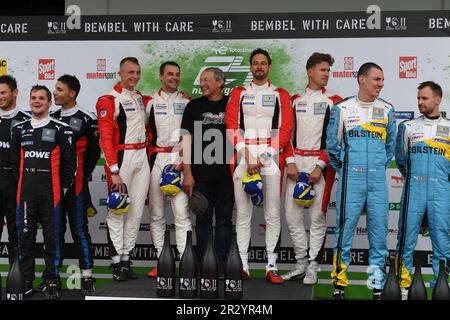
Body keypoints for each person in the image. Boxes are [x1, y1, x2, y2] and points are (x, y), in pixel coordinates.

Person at [326, 62, 396, 300]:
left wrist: (376, 168)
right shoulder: (342, 109)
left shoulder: (387, 110)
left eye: (382, 79)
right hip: (351, 178)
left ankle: (377, 287)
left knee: (378, 236)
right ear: (362, 79)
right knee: (343, 235)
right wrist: (346, 170)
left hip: (377, 180)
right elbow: (332, 148)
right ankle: (339, 286)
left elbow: (390, 148)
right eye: (377, 79)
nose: (381, 84)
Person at [225, 48, 294, 284]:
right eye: (255, 63)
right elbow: (231, 127)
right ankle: (243, 265)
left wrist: (263, 156)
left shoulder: (280, 94)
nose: (259, 67)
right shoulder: (239, 93)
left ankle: (271, 267)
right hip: (244, 156)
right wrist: (247, 155)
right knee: (243, 214)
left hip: (270, 157)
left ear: (270, 67)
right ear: (250, 67)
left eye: (263, 63)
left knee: (273, 214)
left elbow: (286, 130)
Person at [11, 85, 76, 299]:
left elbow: (69, 164)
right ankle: (27, 280)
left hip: (53, 194)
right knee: (25, 238)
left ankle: (51, 280)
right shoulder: (18, 128)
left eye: (41, 98)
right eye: (33, 98)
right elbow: (14, 164)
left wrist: (63, 188)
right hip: (26, 194)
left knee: (53, 239)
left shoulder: (61, 128)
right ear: (29, 101)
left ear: (49, 102)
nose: (37, 101)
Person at [282, 53, 342, 284]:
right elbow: (286, 134)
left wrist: (320, 165)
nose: (326, 74)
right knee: (291, 215)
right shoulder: (294, 100)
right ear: (310, 71)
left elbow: (335, 139)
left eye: (328, 70)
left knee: (317, 217)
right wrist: (290, 162)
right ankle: (300, 264)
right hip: (296, 163)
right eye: (322, 70)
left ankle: (314, 266)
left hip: (321, 166)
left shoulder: (334, 101)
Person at [96, 57, 151, 281]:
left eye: (137, 72)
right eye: (130, 72)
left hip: (142, 156)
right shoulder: (109, 99)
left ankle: (127, 259)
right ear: (120, 73)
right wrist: (114, 169)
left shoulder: (140, 98)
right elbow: (105, 137)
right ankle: (116, 261)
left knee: (136, 212)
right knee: (118, 210)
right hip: (122, 157)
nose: (135, 77)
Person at [395, 81, 450, 299]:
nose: (420, 102)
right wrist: (414, 180)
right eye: (418, 98)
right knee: (406, 240)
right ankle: (404, 288)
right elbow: (401, 160)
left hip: (441, 191)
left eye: (425, 98)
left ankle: (441, 288)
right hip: (413, 190)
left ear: (438, 99)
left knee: (442, 241)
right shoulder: (408, 127)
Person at [181, 67, 234, 275]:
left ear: (220, 83)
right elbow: (186, 139)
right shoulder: (194, 106)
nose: (202, 83)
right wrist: (187, 172)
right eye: (201, 80)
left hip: (226, 175)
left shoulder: (232, 104)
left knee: (224, 220)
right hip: (200, 174)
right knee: (202, 220)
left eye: (206, 80)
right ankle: (204, 264)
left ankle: (220, 265)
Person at [50, 74, 100, 295]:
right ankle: (53, 278)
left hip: (77, 185)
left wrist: (81, 174)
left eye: (59, 89)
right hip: (53, 185)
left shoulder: (87, 118)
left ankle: (87, 276)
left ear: (72, 93)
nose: (55, 93)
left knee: (79, 230)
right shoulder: (51, 117)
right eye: (55, 89)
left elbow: (93, 153)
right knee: (55, 230)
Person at [146, 61, 192, 278]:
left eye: (177, 74)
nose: (174, 77)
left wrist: (184, 157)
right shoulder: (149, 102)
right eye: (170, 74)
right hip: (157, 158)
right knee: (156, 214)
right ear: (161, 77)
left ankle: (185, 261)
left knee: (181, 213)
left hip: (179, 158)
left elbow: (192, 134)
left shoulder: (187, 101)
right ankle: (162, 261)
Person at [0, 75, 30, 266]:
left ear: (15, 93)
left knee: (16, 234)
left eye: (3, 93)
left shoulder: (26, 122)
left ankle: (16, 280)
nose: (0, 96)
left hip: (15, 182)